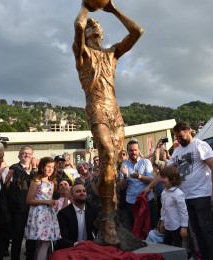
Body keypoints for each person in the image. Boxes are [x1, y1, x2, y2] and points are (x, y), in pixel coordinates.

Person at [73, 0, 143, 245]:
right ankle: (106, 218)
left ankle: (112, 222)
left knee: (112, 163)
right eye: (93, 24)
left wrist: (112, 9)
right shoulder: (83, 54)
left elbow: (137, 32)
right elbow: (78, 27)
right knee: (108, 155)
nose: (95, 25)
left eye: (97, 24)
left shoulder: (112, 53)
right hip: (97, 109)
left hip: (115, 113)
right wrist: (86, 8)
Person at [165, 122, 213, 260]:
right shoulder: (177, 151)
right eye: (177, 137)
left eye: (181, 136)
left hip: (202, 195)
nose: (179, 140)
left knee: (207, 230)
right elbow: (165, 172)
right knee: (197, 232)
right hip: (186, 197)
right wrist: (150, 186)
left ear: (189, 131)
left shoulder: (200, 145)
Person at [24, 157, 61, 260]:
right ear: (42, 167)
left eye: (52, 167)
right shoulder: (36, 181)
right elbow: (29, 200)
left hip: (48, 213)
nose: (50, 169)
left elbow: (49, 198)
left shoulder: (52, 182)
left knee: (47, 241)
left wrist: (54, 202)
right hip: (38, 214)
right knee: (38, 242)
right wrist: (46, 202)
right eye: (48, 166)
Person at [8, 146, 37, 260]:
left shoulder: (35, 170)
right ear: (19, 155)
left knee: (31, 239)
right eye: (24, 153)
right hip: (18, 209)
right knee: (17, 239)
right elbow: (17, 183)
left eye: (29, 154)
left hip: (33, 209)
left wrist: (33, 170)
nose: (26, 155)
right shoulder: (14, 168)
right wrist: (29, 173)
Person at [120, 140, 157, 230]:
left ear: (139, 150)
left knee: (151, 227)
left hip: (147, 200)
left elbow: (152, 180)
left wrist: (139, 177)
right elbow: (122, 187)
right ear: (128, 151)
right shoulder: (124, 165)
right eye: (131, 150)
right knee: (136, 229)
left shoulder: (146, 162)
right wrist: (125, 176)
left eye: (135, 150)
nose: (133, 152)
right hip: (132, 202)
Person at [56, 183, 99, 249]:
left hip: (89, 247)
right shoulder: (63, 214)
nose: (82, 193)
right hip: (69, 248)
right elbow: (62, 239)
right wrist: (76, 244)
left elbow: (98, 231)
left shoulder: (93, 209)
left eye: (84, 191)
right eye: (78, 191)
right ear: (71, 196)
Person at [159, 166, 188, 247]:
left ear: (173, 179)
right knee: (166, 246)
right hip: (167, 225)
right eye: (161, 177)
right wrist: (162, 221)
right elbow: (163, 208)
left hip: (177, 226)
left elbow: (183, 211)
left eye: (164, 177)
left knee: (177, 246)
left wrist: (184, 227)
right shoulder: (164, 193)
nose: (161, 179)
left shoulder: (178, 194)